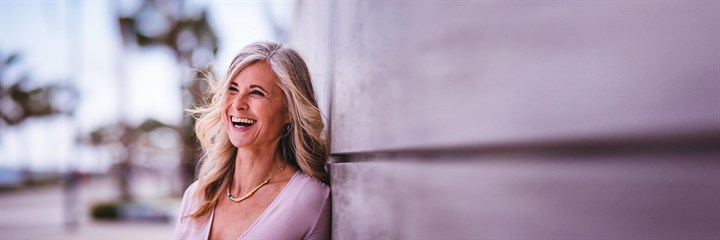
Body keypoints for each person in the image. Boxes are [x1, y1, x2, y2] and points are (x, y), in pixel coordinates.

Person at [173, 41, 330, 240]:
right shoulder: (196, 196)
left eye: (257, 92)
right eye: (233, 88)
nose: (238, 104)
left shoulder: (308, 199)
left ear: (289, 111)